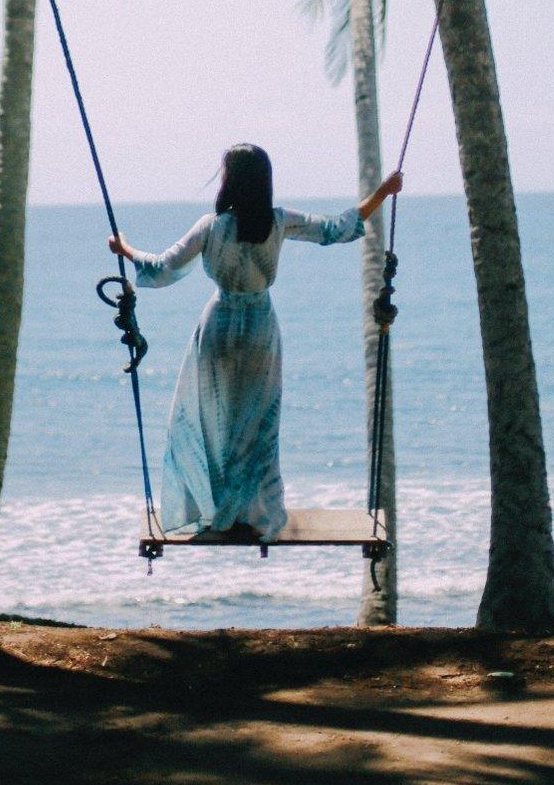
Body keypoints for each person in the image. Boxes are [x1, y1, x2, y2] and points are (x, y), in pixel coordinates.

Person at [108, 143, 402, 543]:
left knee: (216, 420)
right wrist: (382, 194)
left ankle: (218, 511)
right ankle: (254, 513)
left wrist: (124, 248)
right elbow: (336, 229)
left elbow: (162, 269)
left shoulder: (211, 227)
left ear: (230, 181)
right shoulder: (278, 223)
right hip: (261, 330)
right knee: (259, 423)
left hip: (220, 329)